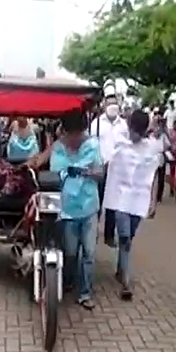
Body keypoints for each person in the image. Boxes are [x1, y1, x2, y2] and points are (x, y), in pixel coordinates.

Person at [103, 109, 160, 299]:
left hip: (138, 200)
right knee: (125, 237)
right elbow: (106, 163)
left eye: (140, 132)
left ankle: (121, 268)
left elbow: (154, 175)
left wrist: (153, 201)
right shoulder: (119, 143)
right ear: (129, 127)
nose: (136, 135)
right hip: (120, 199)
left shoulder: (151, 149)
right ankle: (126, 282)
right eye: (134, 130)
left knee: (129, 238)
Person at [51, 111, 103, 310]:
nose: (75, 139)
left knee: (89, 253)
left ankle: (85, 293)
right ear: (65, 132)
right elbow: (54, 173)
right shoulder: (58, 149)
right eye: (71, 134)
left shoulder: (93, 146)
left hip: (89, 207)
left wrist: (87, 172)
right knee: (71, 252)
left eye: (78, 134)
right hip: (68, 209)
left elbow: (100, 173)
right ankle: (68, 282)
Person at [91, 93, 128, 247]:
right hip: (100, 167)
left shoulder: (123, 125)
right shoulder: (97, 123)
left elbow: (127, 145)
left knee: (112, 204)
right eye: (110, 103)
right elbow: (91, 144)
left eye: (115, 103)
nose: (113, 106)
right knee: (97, 201)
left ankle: (109, 235)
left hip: (117, 169)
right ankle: (93, 231)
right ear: (104, 105)